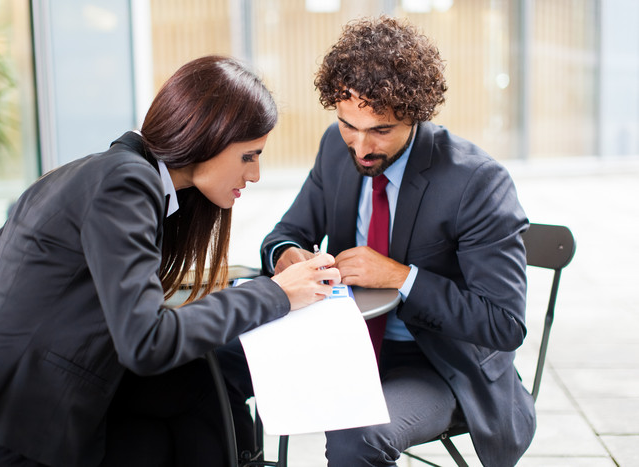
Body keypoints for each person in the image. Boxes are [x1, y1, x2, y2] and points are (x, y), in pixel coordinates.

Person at [0, 55, 340, 467]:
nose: (254, 174)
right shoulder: (126, 184)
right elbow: (146, 341)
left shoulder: (86, 171)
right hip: (2, 434)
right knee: (194, 391)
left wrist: (78, 343)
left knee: (192, 388)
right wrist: (274, 293)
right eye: (248, 156)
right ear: (209, 136)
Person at [218, 17, 534, 467]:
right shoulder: (335, 147)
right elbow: (284, 235)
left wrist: (401, 277)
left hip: (433, 365)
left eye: (381, 130)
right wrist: (289, 257)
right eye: (349, 124)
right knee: (212, 364)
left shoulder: (476, 182)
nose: (361, 147)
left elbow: (504, 324)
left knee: (358, 437)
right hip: (340, 340)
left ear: (416, 113)